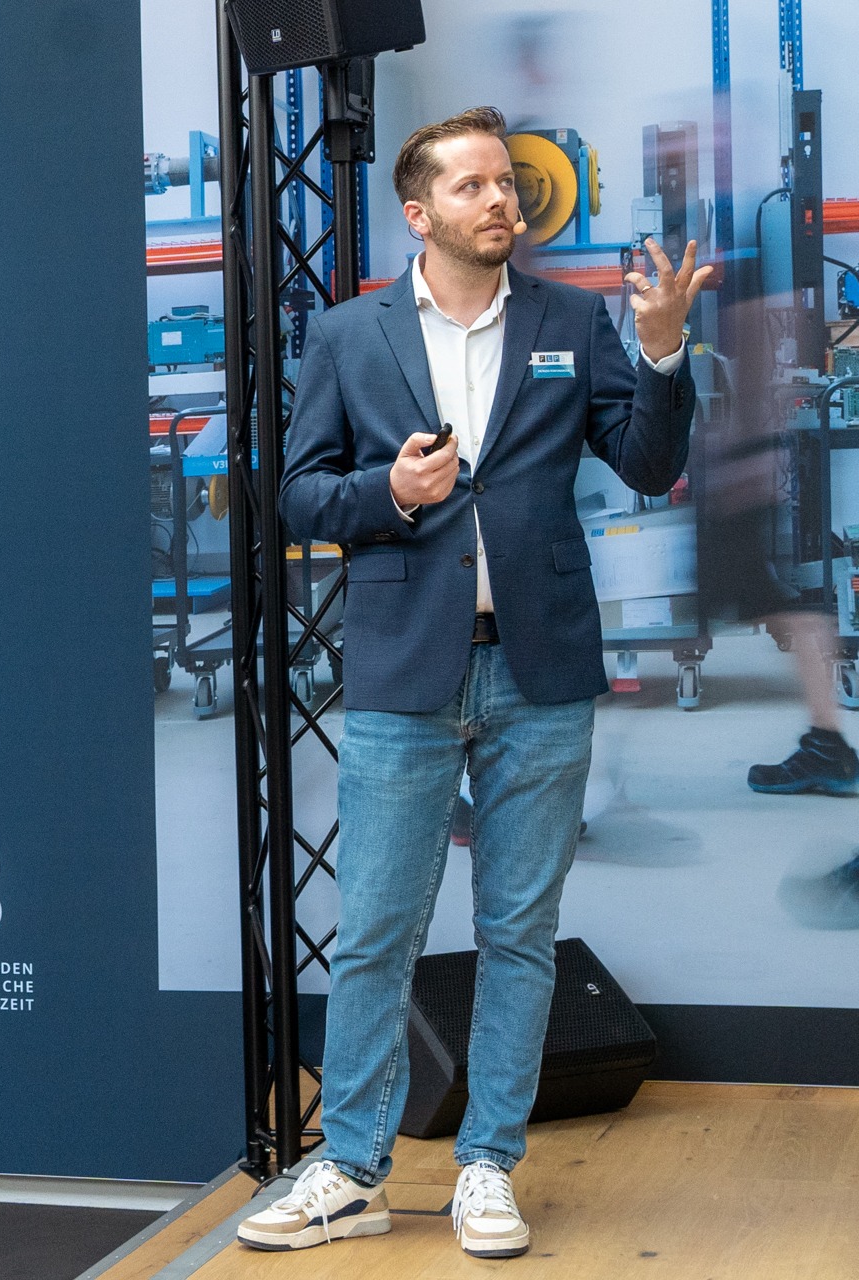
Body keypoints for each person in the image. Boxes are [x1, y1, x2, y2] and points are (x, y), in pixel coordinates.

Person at [238, 107, 705, 1259]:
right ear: (419, 212)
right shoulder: (349, 335)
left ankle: (488, 1163)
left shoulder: (571, 319)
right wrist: (389, 493)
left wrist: (660, 354)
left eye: (507, 183)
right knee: (375, 932)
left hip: (540, 669)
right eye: (475, 186)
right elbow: (299, 493)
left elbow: (648, 464)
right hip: (404, 668)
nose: (503, 200)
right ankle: (350, 1168)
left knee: (519, 932)